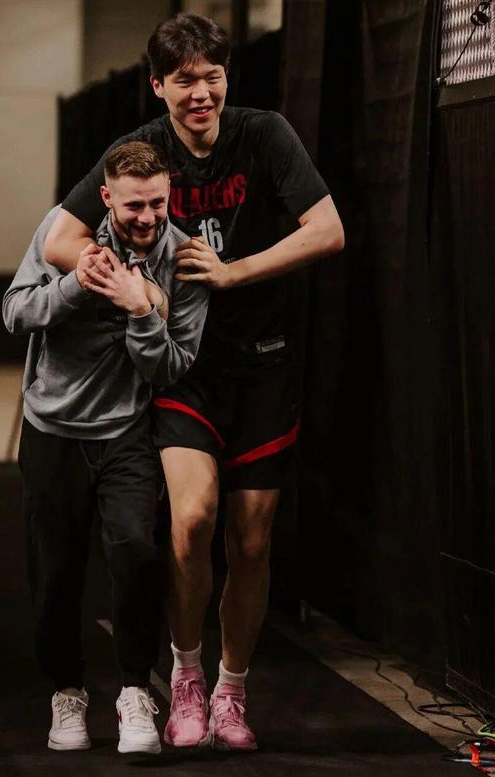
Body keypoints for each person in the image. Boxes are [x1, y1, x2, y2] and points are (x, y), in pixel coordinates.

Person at [43, 13, 344, 751]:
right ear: (159, 86)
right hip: (187, 367)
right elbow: (59, 239)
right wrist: (126, 282)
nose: (202, 92)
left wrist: (235, 271)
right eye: (186, 81)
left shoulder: (264, 135)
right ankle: (184, 677)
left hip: (264, 365)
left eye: (213, 76)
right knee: (192, 520)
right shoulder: (143, 152)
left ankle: (231, 691)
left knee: (252, 540)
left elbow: (328, 230)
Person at [2, 140, 209, 755]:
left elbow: (172, 366)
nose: (146, 218)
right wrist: (75, 287)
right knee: (56, 572)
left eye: (157, 204)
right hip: (52, 429)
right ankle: (66, 692)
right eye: (133, 206)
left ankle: (135, 690)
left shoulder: (183, 258)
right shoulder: (63, 233)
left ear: (170, 196)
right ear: (106, 199)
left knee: (137, 554)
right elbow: (14, 312)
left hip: (125, 431)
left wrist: (140, 310)